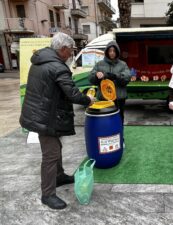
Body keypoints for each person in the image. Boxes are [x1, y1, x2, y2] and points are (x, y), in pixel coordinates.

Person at [20, 33, 95, 210]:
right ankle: (47, 194)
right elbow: (72, 94)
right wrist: (88, 100)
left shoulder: (39, 61)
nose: (71, 54)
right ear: (62, 49)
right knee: (50, 154)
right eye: (70, 51)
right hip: (44, 117)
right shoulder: (57, 67)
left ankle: (59, 176)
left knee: (56, 148)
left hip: (40, 113)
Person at [89, 41, 131, 125]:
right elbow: (90, 78)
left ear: (117, 52)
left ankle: (119, 136)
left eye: (114, 51)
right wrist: (96, 75)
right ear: (107, 52)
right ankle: (106, 137)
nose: (112, 53)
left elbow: (127, 77)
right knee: (105, 120)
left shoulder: (123, 64)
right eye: (110, 51)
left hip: (119, 98)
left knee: (119, 119)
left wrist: (116, 76)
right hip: (104, 99)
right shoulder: (99, 64)